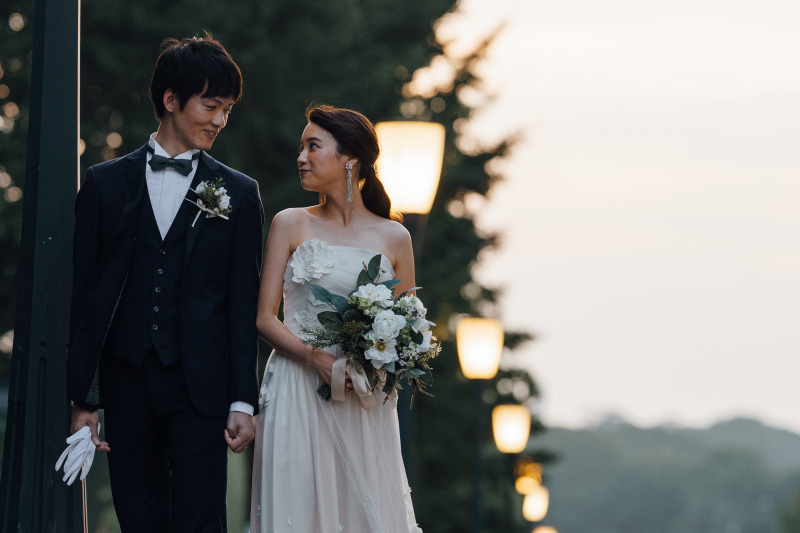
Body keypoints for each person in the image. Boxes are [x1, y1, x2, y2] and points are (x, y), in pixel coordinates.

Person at [67, 33, 263, 532]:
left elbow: (243, 305)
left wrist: (243, 399)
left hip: (200, 386)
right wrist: (84, 400)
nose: (220, 121)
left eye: (228, 110)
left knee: (201, 518)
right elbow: (84, 300)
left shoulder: (239, 194)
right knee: (138, 516)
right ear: (171, 101)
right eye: (211, 105)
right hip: (125, 380)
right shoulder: (104, 184)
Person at [250, 104, 422, 532]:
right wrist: (316, 359)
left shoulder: (394, 237)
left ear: (350, 159)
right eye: (301, 147)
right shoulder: (289, 224)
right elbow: (264, 318)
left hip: (364, 396)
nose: (301, 157)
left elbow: (408, 324)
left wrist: (376, 364)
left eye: (313, 146)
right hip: (296, 385)